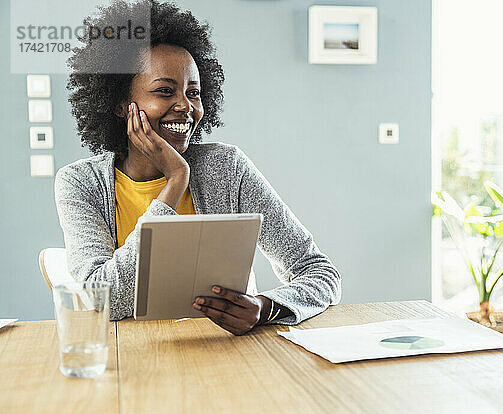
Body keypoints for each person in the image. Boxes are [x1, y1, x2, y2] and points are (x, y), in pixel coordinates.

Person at [55, 0, 341, 335]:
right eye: (165, 91)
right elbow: (101, 298)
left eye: (194, 93)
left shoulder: (227, 169)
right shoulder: (80, 183)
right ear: (119, 104)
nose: (186, 107)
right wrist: (175, 181)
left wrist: (265, 307)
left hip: (225, 354)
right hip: (130, 358)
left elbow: (319, 272)